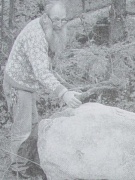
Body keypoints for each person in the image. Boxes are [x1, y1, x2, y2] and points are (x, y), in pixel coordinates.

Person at [3, 0, 82, 178]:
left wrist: (67, 86)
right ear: (46, 17)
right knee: (22, 129)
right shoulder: (36, 36)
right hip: (18, 85)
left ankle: (29, 163)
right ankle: (18, 170)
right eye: (56, 20)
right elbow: (41, 72)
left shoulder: (49, 30)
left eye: (63, 20)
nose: (60, 25)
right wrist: (64, 94)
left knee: (33, 126)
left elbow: (47, 67)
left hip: (29, 84)